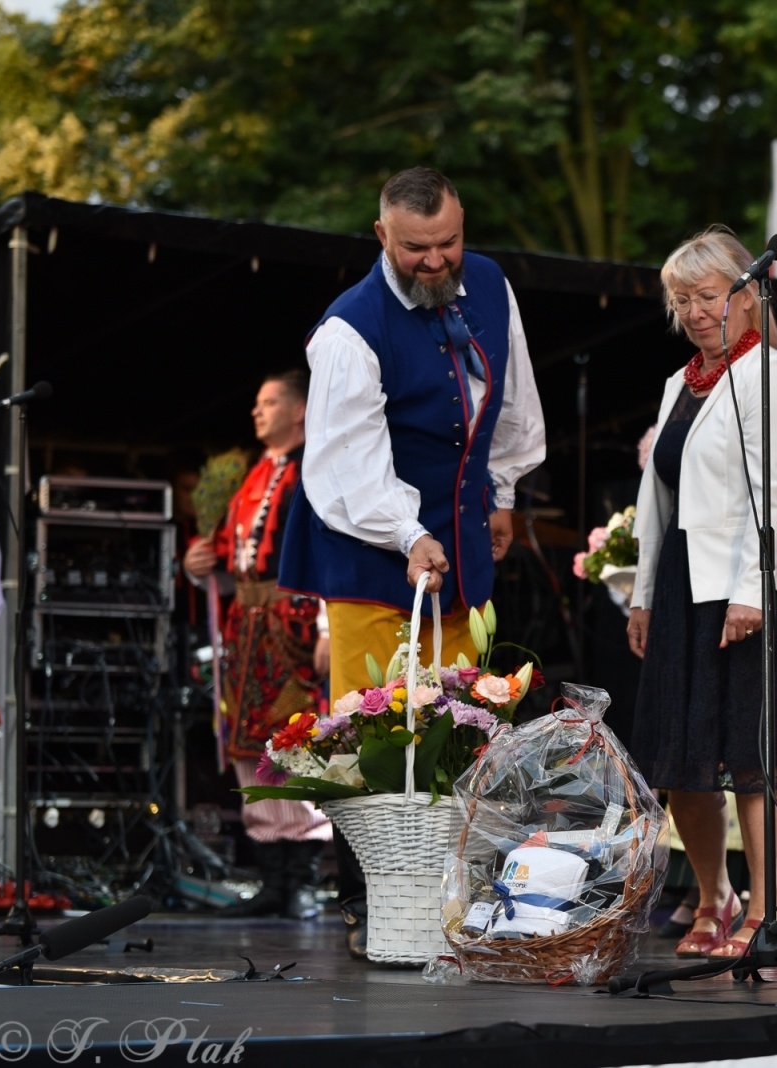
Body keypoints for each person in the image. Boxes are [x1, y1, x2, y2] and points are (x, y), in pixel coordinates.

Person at [279, 166, 546, 955]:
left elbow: (512, 396)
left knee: (463, 722)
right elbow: (344, 465)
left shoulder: (490, 283)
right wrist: (406, 532)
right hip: (370, 547)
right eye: (415, 249)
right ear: (381, 237)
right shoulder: (349, 328)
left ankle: (448, 901)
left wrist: (500, 492)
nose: (436, 262)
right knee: (373, 732)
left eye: (448, 244)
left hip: (457, 538)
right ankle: (369, 906)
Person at [627, 225, 777, 960]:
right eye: (683, 300)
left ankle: (768, 911)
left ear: (745, 295)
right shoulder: (681, 382)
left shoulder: (770, 371)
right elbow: (657, 500)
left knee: (761, 760)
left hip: (761, 585)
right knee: (682, 760)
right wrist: (642, 594)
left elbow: (774, 493)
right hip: (684, 583)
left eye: (708, 296)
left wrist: (748, 593)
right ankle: (711, 897)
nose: (696, 312)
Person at [183, 371, 331, 920]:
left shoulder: (313, 470)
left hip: (290, 626)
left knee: (295, 744)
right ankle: (273, 876)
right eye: (255, 401)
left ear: (299, 411)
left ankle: (301, 880)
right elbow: (228, 559)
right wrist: (202, 568)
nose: (256, 411)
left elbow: (325, 556)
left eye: (268, 402)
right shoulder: (251, 479)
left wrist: (324, 628)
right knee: (250, 747)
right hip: (248, 631)